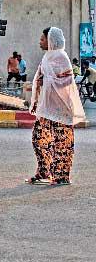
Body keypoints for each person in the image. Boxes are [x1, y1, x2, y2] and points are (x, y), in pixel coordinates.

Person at [26, 27, 86, 186]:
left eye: (42, 39)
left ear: (51, 41)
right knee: (38, 138)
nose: (40, 42)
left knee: (61, 142)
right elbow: (44, 78)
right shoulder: (47, 57)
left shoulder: (61, 57)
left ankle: (61, 176)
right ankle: (44, 172)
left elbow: (66, 81)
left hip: (61, 108)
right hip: (46, 108)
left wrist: (46, 79)